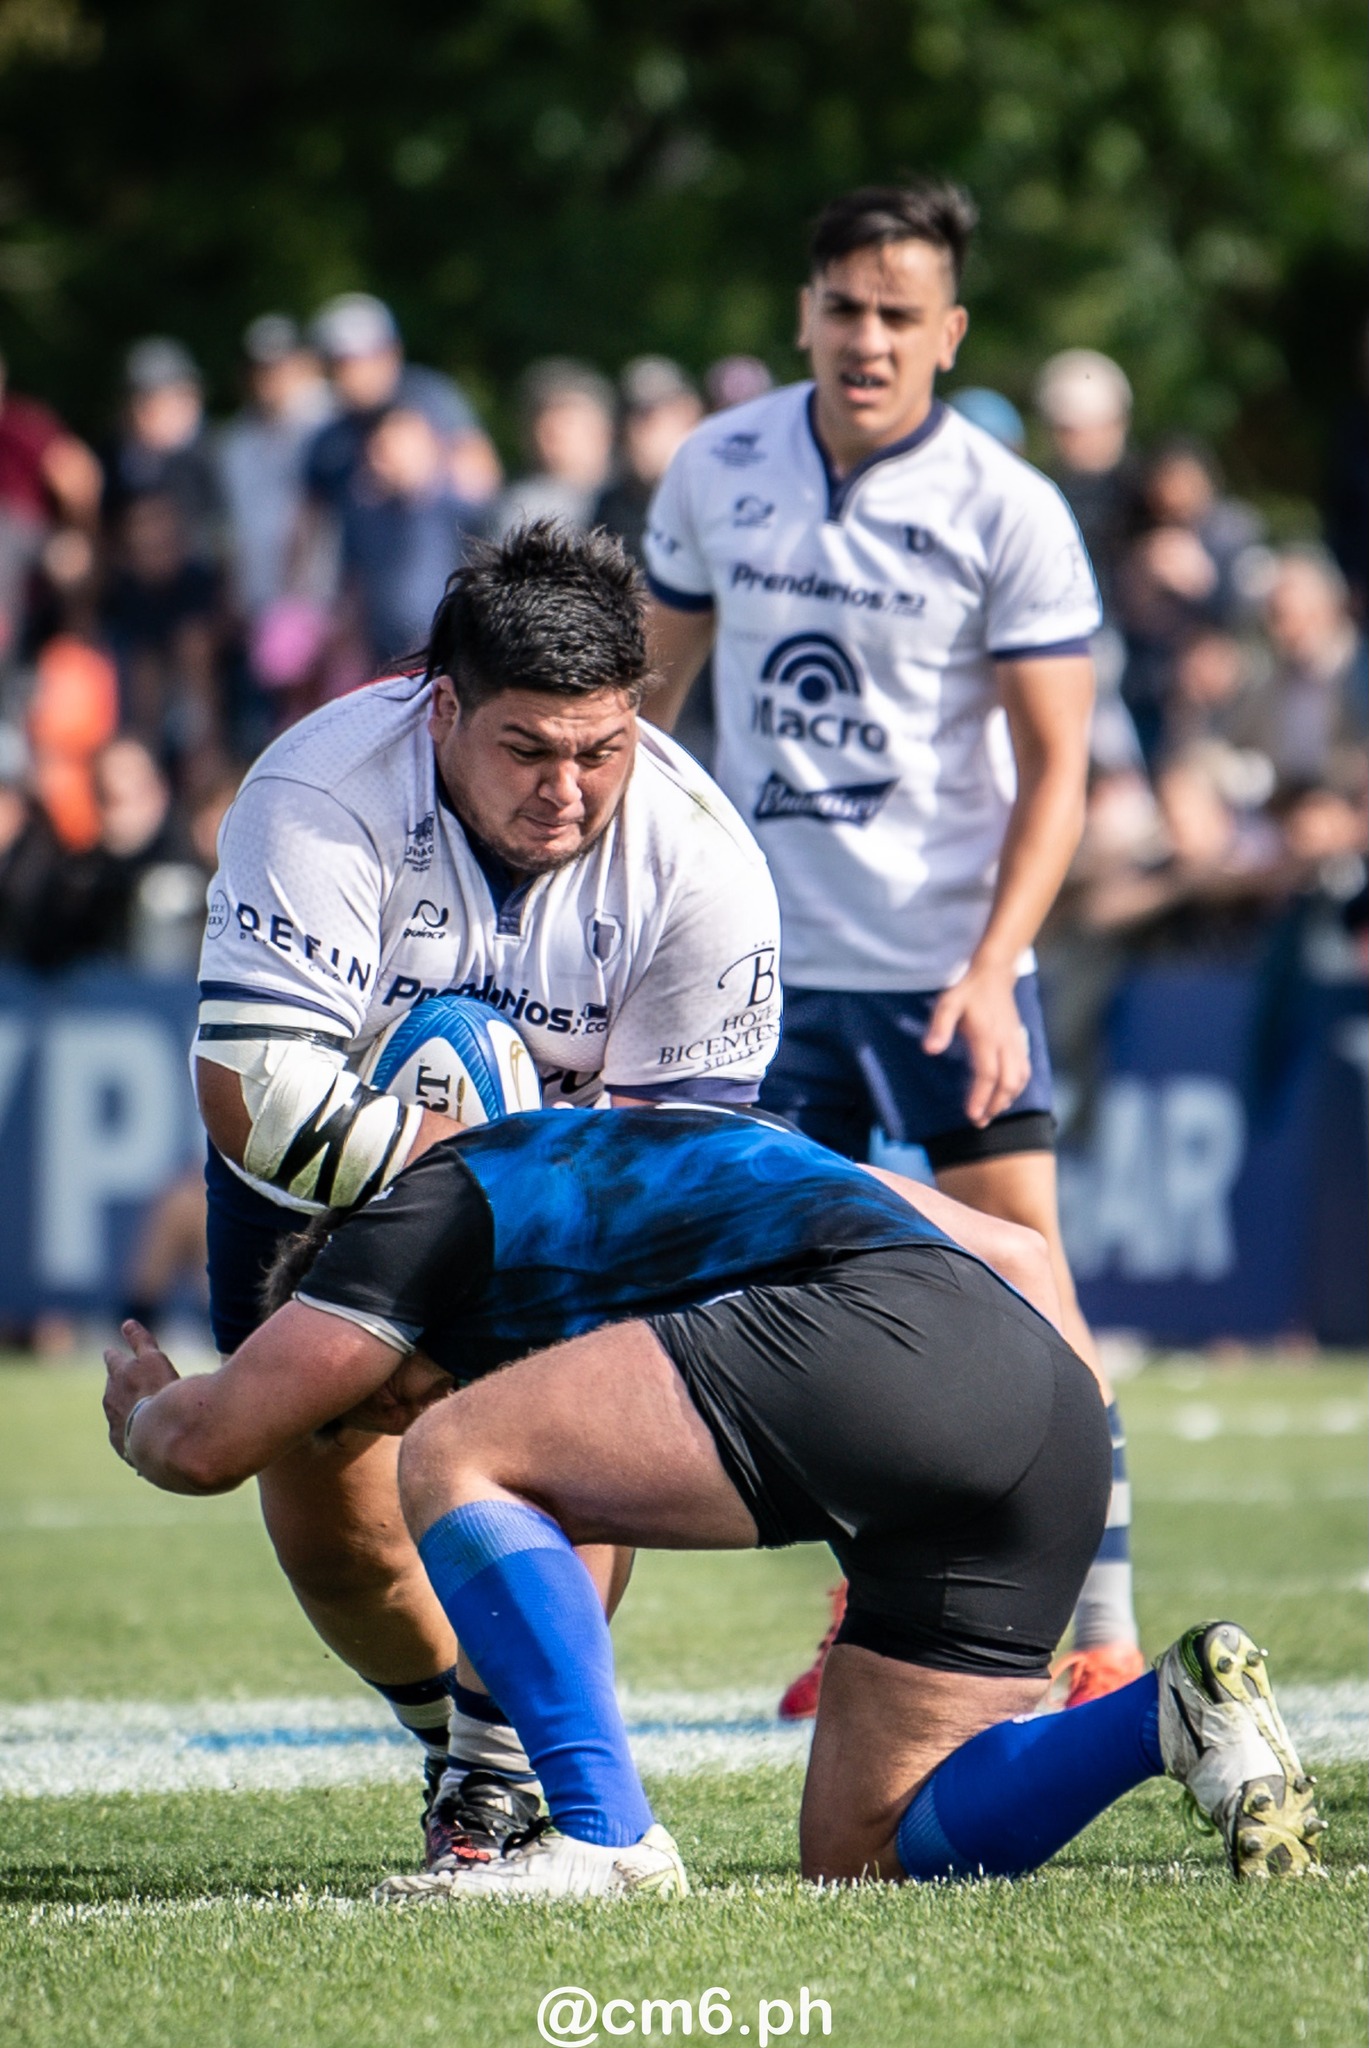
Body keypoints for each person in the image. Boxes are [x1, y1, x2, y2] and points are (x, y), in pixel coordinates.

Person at [102, 1101, 1326, 1898]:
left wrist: (150, 1409)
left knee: (457, 1456)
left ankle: (601, 1834)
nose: (396, 1409)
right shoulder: (676, 1142)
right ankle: (1168, 1713)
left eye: (375, 1394)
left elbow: (207, 1449)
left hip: (890, 1343)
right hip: (1040, 1403)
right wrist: (1047, 1470)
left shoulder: (421, 1209)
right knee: (865, 1853)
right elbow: (1024, 1257)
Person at [192, 520, 781, 1859]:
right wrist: (461, 1171)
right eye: (527, 747)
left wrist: (515, 1192)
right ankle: (462, 1736)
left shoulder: (704, 863)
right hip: (330, 1152)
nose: (568, 789)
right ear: (442, 706)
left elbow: (680, 1176)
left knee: (572, 1435)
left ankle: (501, 1769)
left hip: (571, 1182)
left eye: (602, 748)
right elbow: (256, 1095)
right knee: (316, 1484)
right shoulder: (322, 788)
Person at [641, 181, 1142, 1718]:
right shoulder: (716, 469)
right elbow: (644, 719)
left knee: (1032, 1291)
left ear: (949, 333)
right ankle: (864, 1624)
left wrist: (994, 967)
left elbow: (1059, 769)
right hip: (766, 981)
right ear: (803, 313)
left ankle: (1107, 1628)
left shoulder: (1008, 506)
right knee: (800, 1308)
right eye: (843, 309)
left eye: (898, 316)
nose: (867, 340)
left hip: (947, 971)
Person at [591, 356, 703, 564]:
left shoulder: (714, 499)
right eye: (628, 416)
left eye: (649, 417)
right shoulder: (610, 506)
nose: (635, 432)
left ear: (688, 414)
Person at [490, 359, 617, 539]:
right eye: (547, 433)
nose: (550, 444)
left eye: (566, 428)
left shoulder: (637, 496)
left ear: (604, 431)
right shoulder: (521, 511)